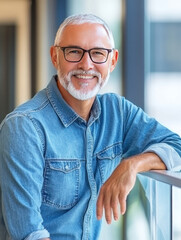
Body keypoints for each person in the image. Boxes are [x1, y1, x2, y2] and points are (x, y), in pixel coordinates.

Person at [0, 13, 181, 240]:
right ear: (55, 57)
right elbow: (29, 234)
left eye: (97, 53)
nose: (86, 65)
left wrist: (133, 164)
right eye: (74, 52)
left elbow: (177, 146)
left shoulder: (117, 112)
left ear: (113, 61)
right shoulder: (24, 127)